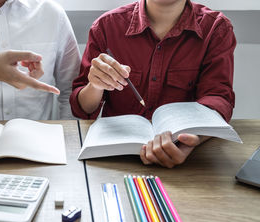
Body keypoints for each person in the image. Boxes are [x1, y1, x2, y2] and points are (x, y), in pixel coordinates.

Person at [70, 0, 236, 168]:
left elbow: (219, 99)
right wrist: (95, 86)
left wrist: (193, 139)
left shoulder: (216, 28)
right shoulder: (106, 26)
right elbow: (83, 108)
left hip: (187, 159)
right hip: (115, 158)